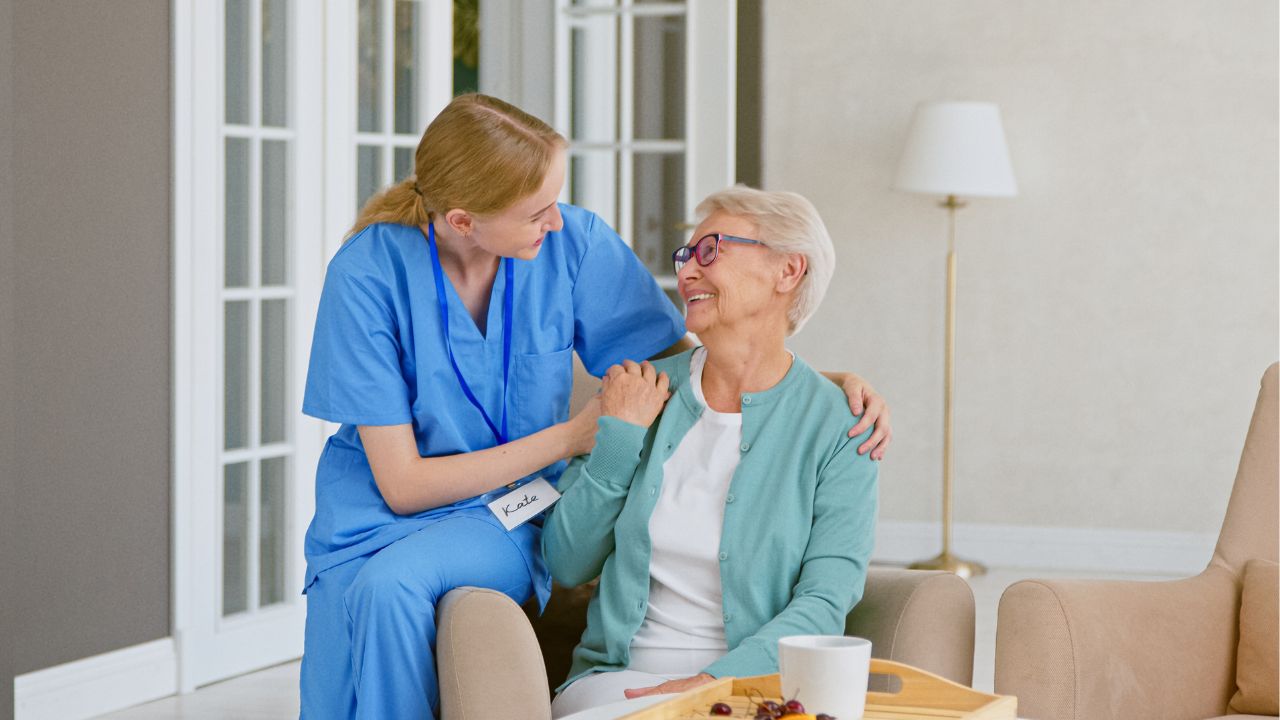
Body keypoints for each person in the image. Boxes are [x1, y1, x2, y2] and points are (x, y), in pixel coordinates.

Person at [299, 94, 891, 719]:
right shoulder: (367, 273)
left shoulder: (572, 245)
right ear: (465, 220)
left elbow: (692, 356)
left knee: (391, 589)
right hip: (377, 510)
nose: (557, 220)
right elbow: (401, 483)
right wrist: (573, 437)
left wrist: (816, 385)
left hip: (501, 514)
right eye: (536, 210)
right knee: (346, 643)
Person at [543, 186, 879, 718]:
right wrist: (619, 442)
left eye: (710, 250)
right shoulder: (638, 392)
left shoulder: (841, 427)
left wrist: (709, 684)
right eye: (685, 256)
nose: (686, 273)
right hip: (618, 683)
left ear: (788, 271)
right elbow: (566, 561)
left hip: (757, 688)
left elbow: (825, 598)